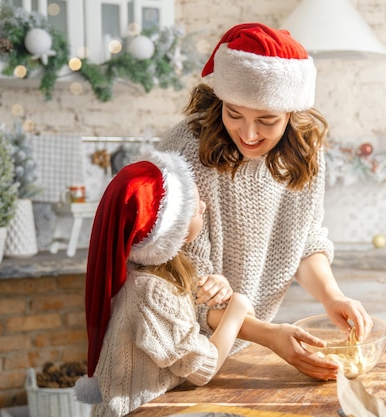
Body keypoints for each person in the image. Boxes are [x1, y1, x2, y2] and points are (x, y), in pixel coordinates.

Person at [157, 22, 373, 381]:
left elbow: (303, 241)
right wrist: (270, 336)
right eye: (234, 114)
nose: (249, 133)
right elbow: (183, 287)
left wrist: (332, 296)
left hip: (233, 343)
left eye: (267, 120)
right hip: (170, 344)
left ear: (292, 115)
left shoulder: (304, 154)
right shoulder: (187, 153)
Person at [74, 150, 253, 417]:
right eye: (192, 207)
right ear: (170, 230)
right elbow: (203, 368)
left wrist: (220, 284)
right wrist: (238, 305)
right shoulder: (150, 290)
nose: (202, 206)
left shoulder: (152, 271)